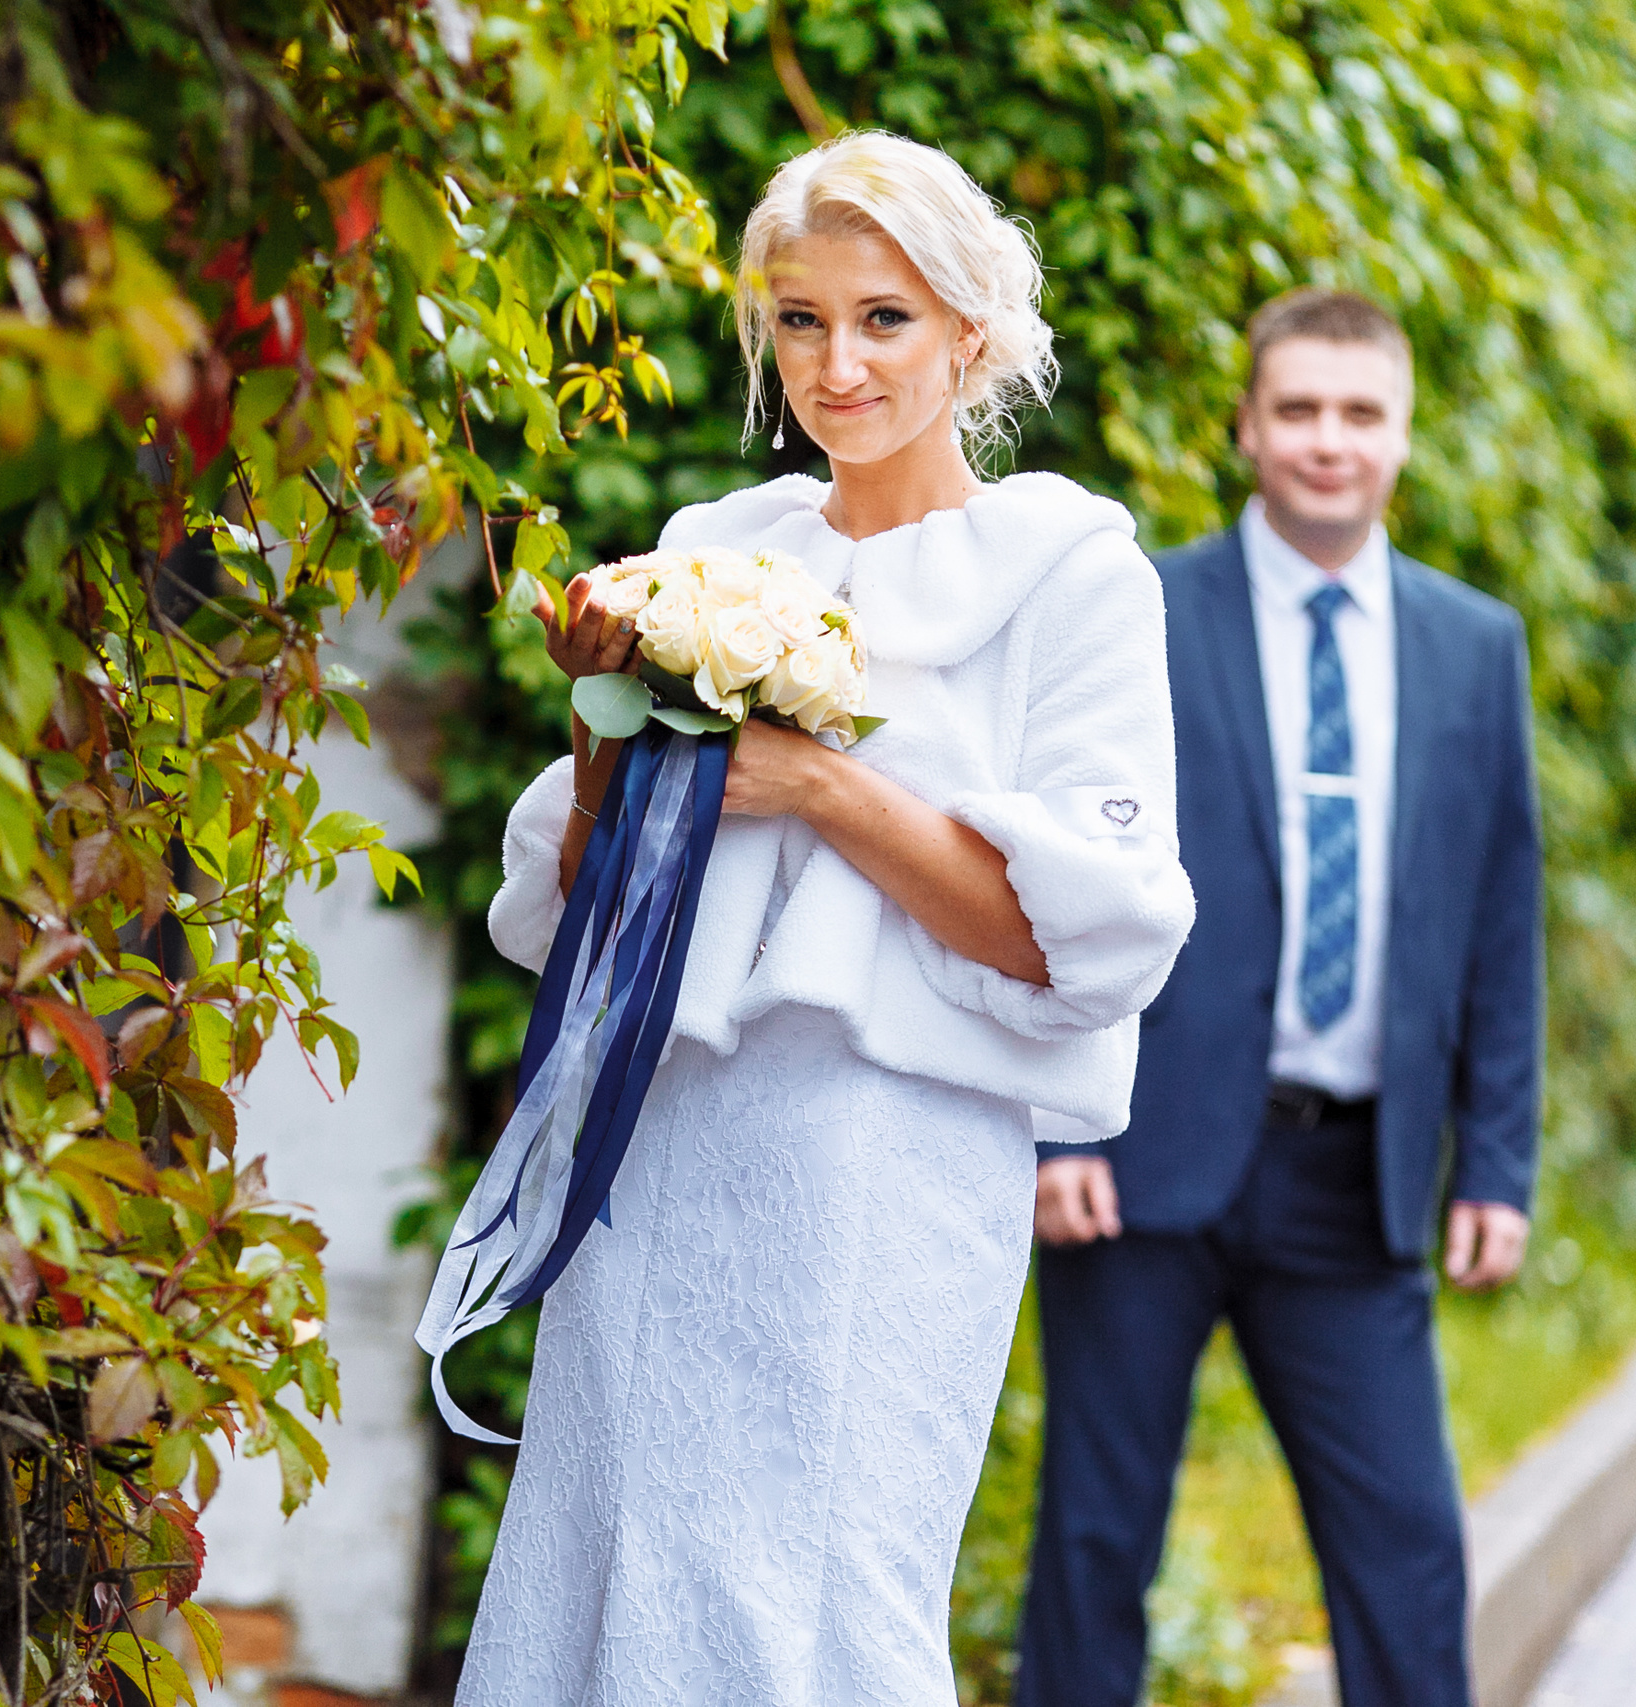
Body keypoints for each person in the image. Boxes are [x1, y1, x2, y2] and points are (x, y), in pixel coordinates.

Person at [461, 131, 1195, 1706]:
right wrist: (601, 721)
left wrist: (824, 791)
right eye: (801, 319)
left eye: (885, 319)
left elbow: (1078, 947)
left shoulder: (1071, 574)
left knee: (818, 1586)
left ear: (969, 334)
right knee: (607, 1550)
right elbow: (590, 908)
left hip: (890, 1166)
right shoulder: (713, 556)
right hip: (662, 1151)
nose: (836, 363)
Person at [1016, 289, 1543, 1707]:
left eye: (1360, 413)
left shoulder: (1472, 647)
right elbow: (1055, 871)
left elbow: (1498, 912)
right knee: (1093, 1538)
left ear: (1403, 434)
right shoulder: (1140, 610)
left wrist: (1495, 1158)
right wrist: (1059, 1129)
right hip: (1136, 1154)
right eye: (1298, 409)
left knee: (1410, 1553)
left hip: (1351, 1176)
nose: (1328, 441)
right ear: (1248, 425)